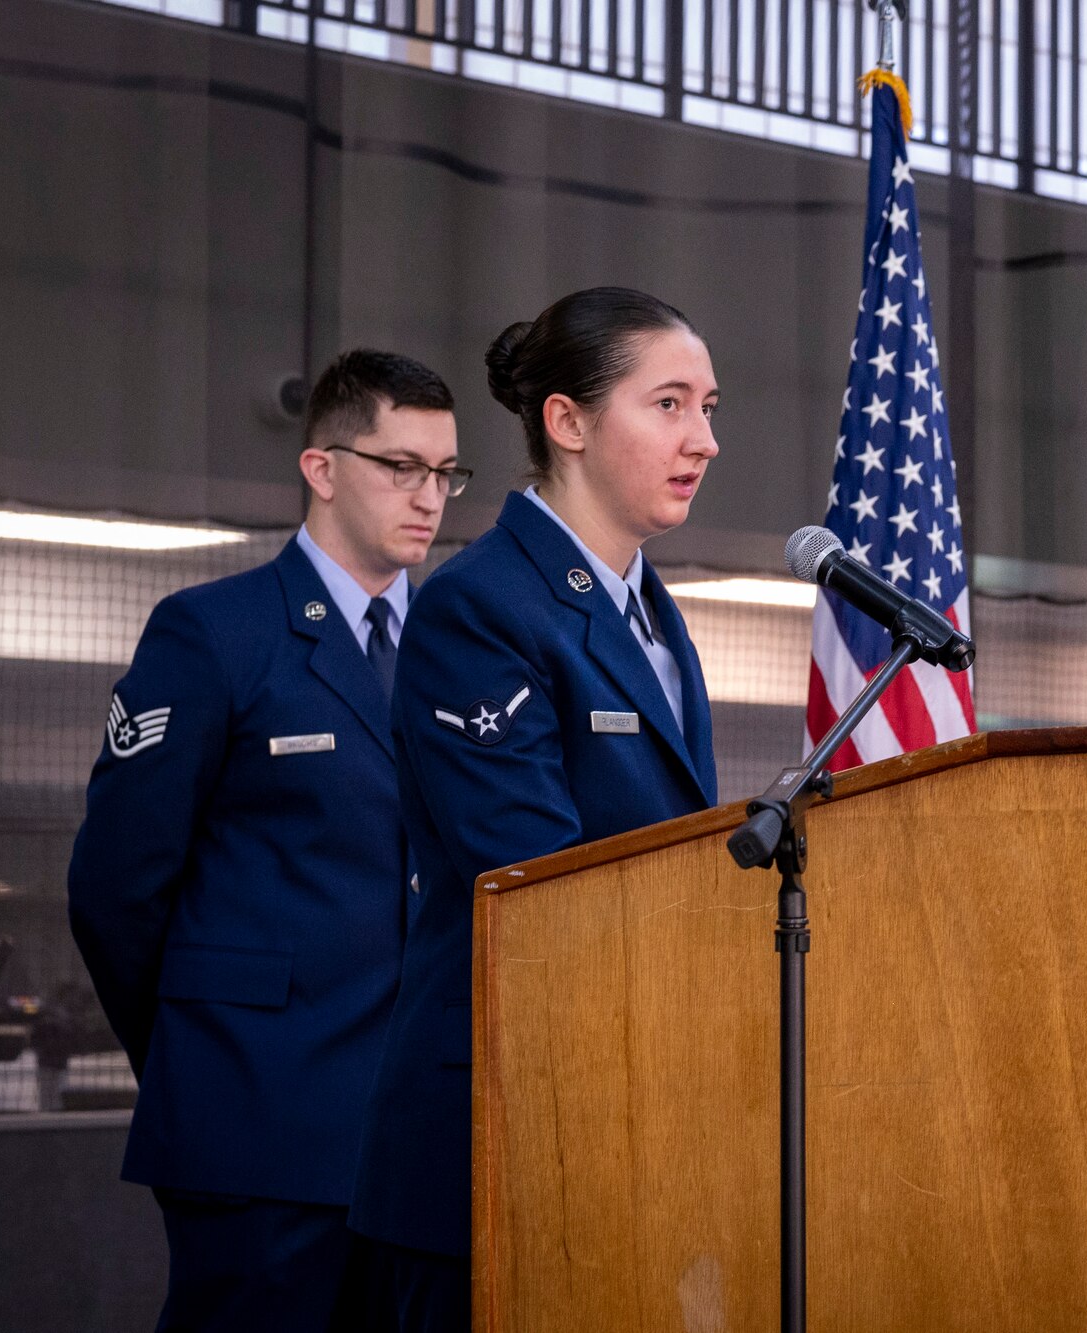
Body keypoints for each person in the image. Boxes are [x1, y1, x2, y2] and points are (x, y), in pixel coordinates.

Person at [67, 349, 467, 1330]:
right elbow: (118, 888)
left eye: (446, 472)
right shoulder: (215, 633)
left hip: (419, 1146)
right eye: (399, 466)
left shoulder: (461, 653)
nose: (430, 496)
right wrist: (205, 1050)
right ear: (321, 468)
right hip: (256, 1126)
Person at [349, 288, 721, 1330]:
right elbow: (538, 885)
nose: (703, 438)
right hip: (496, 1131)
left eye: (709, 408)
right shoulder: (482, 607)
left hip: (616, 1113)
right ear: (566, 422)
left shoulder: (648, 608)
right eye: (669, 405)